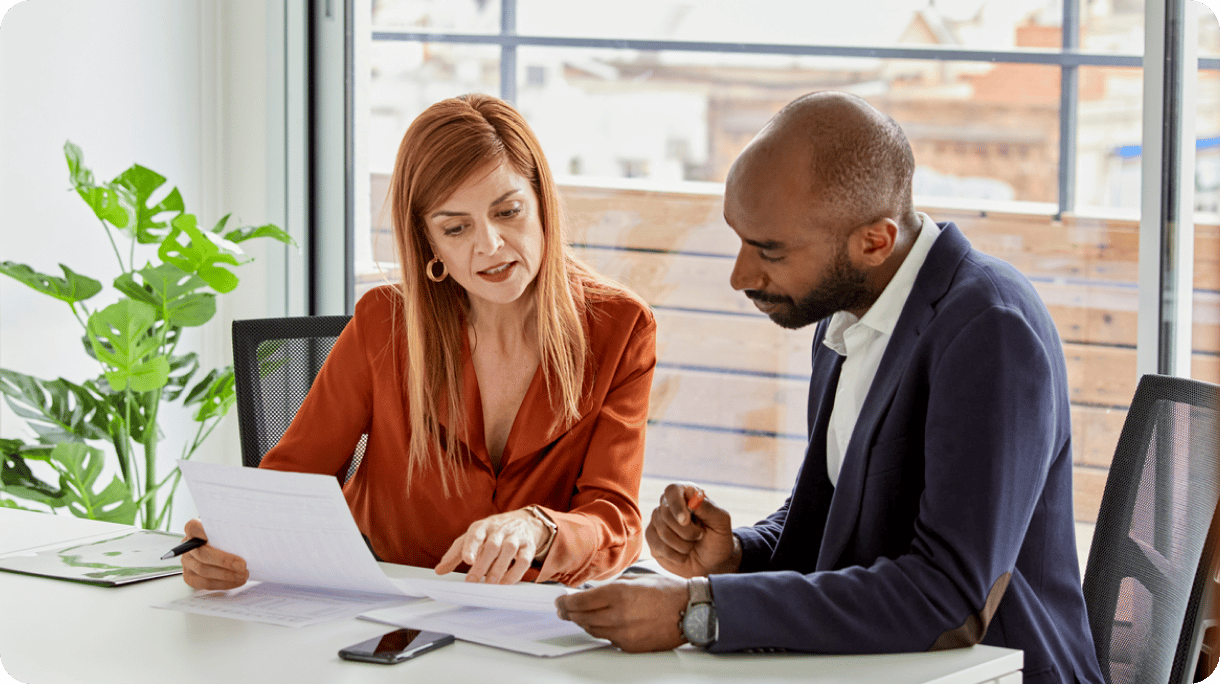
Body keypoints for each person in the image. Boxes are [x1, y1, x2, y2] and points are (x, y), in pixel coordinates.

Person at [555, 91, 1104, 684]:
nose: (740, 276)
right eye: (740, 240)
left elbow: (948, 596)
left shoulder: (988, 329)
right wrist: (736, 556)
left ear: (873, 241)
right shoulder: (847, 313)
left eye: (770, 251)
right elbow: (833, 520)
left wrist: (700, 612)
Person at [180, 93, 657, 590]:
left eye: (509, 211)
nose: (489, 245)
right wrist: (228, 542)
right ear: (428, 241)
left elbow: (616, 522)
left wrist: (539, 526)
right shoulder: (382, 323)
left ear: (542, 205)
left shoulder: (620, 328)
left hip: (533, 616)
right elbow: (290, 481)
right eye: (456, 227)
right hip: (388, 604)